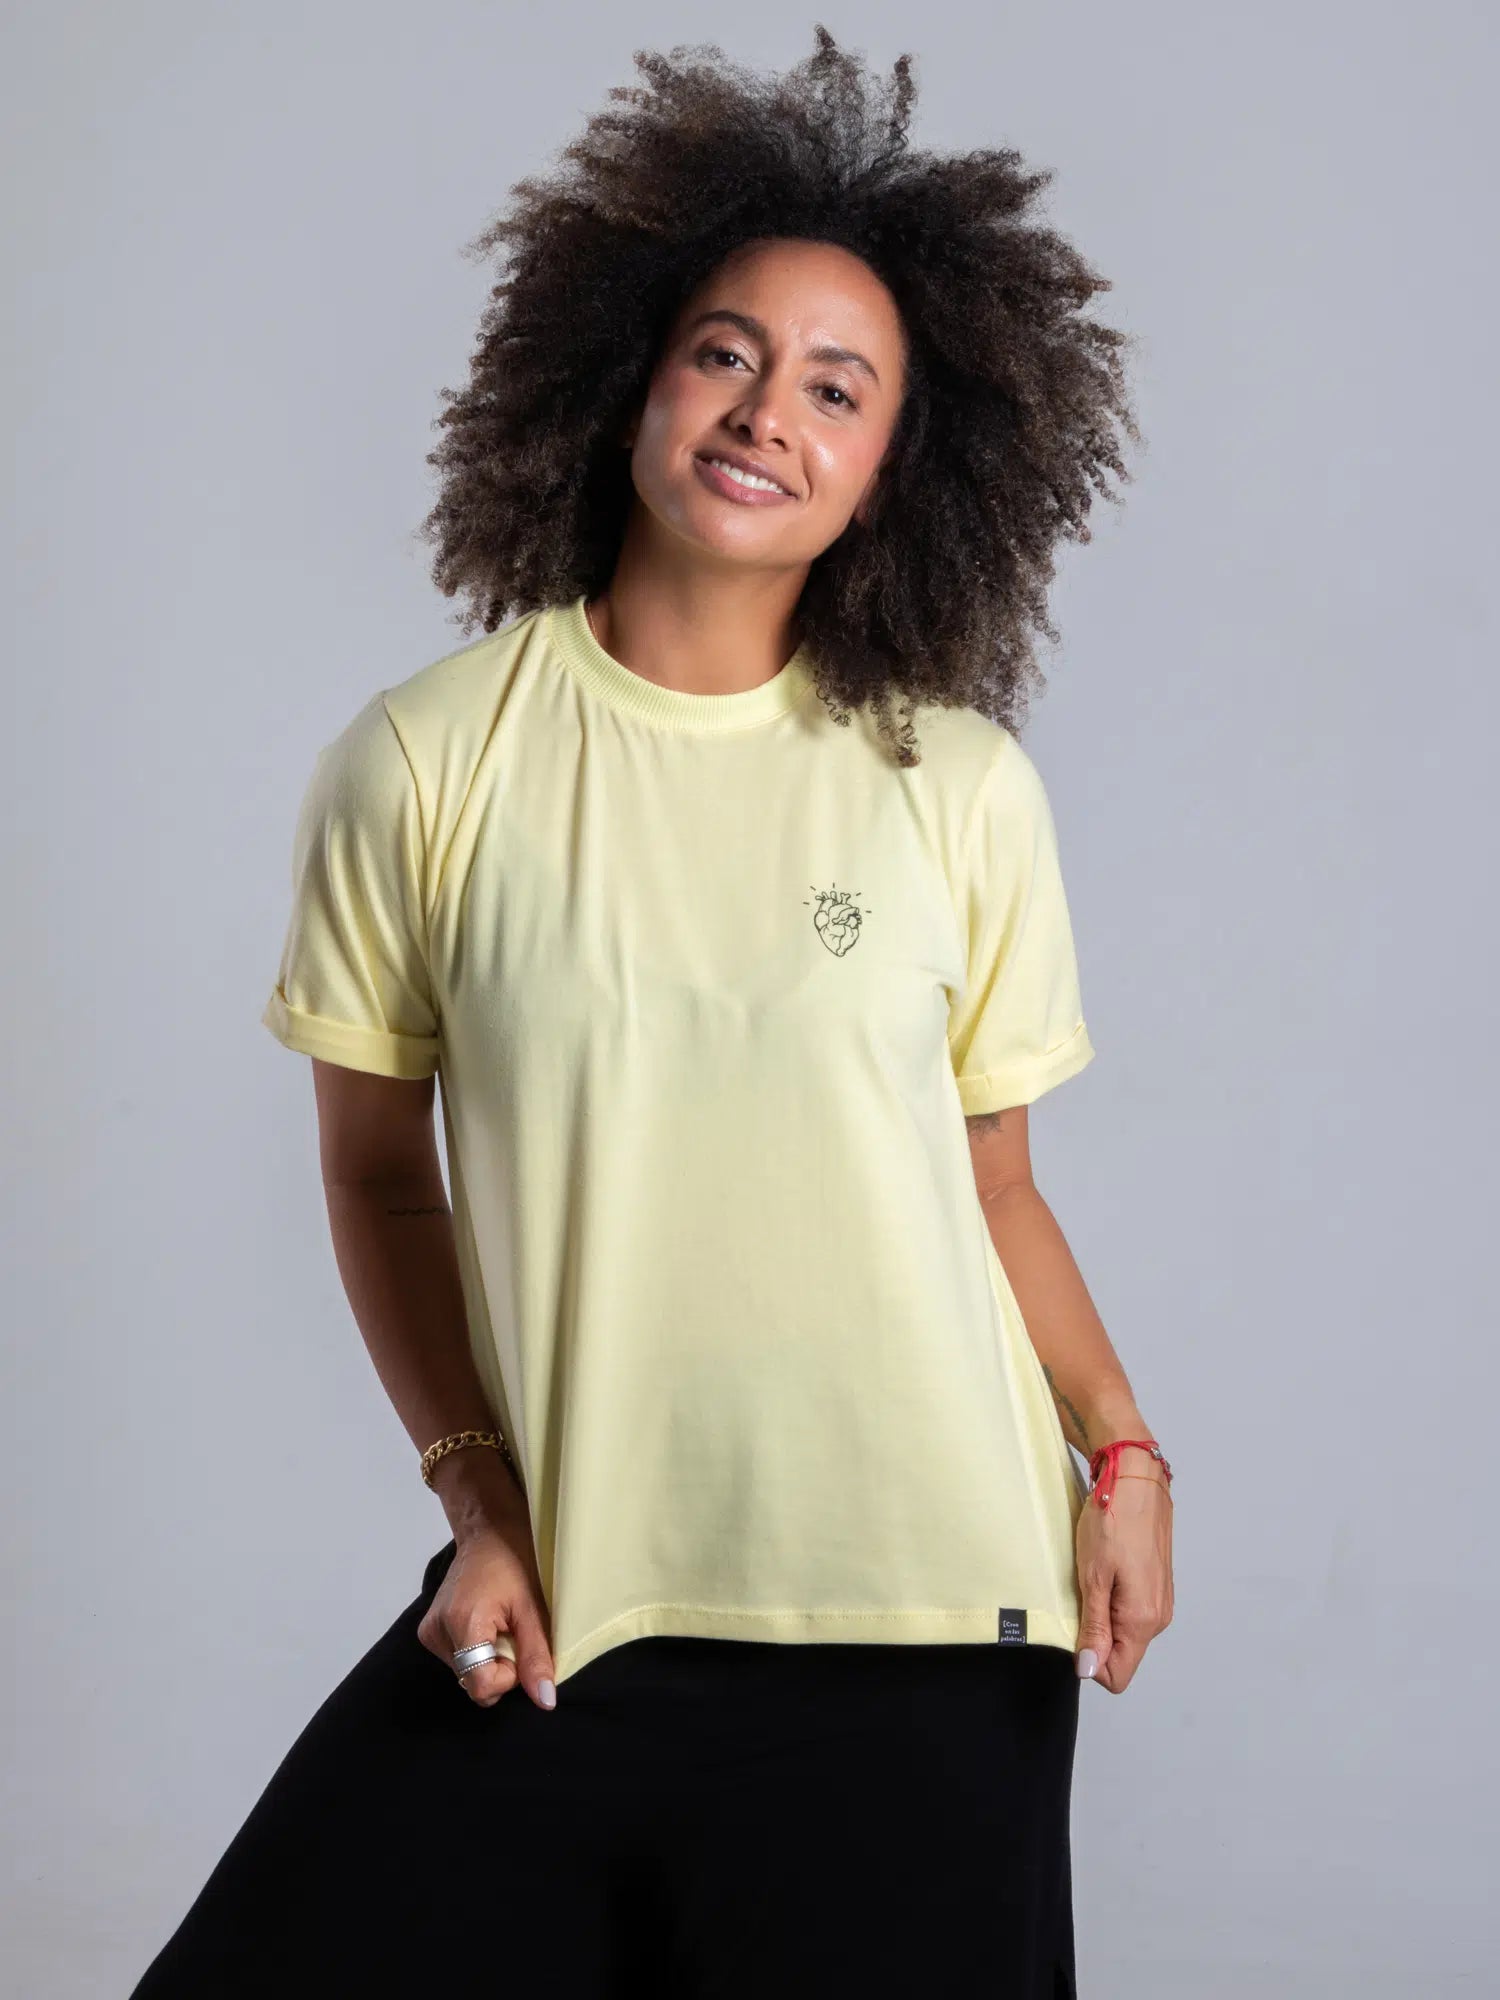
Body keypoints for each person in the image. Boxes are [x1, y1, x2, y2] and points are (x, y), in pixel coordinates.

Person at [130, 26, 1173, 1998]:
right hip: (577, 1608)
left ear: (892, 472)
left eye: (838, 388)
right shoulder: (425, 763)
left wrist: (1124, 1459)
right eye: (726, 351)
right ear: (630, 373)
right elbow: (378, 1178)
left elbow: (995, 1186)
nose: (770, 411)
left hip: (931, 1635)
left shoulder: (956, 786)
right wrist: (478, 1501)